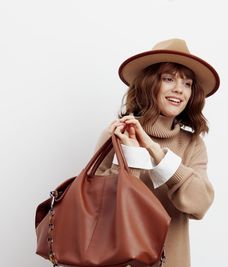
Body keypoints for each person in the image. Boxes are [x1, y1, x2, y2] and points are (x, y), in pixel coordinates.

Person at [94, 38, 220, 267]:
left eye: (187, 84)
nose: (179, 90)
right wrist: (132, 159)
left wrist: (157, 154)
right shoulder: (119, 134)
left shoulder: (192, 144)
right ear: (150, 84)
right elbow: (99, 207)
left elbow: (200, 204)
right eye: (169, 79)